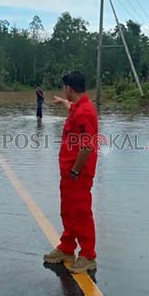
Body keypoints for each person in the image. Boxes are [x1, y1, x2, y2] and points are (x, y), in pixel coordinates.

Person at [43, 70, 99, 273]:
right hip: (69, 173)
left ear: (69, 88)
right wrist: (62, 102)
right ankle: (67, 248)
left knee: (81, 213)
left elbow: (87, 146)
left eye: (63, 89)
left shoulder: (84, 112)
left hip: (78, 174)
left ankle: (88, 255)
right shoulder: (78, 107)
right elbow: (72, 107)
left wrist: (75, 171)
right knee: (68, 211)